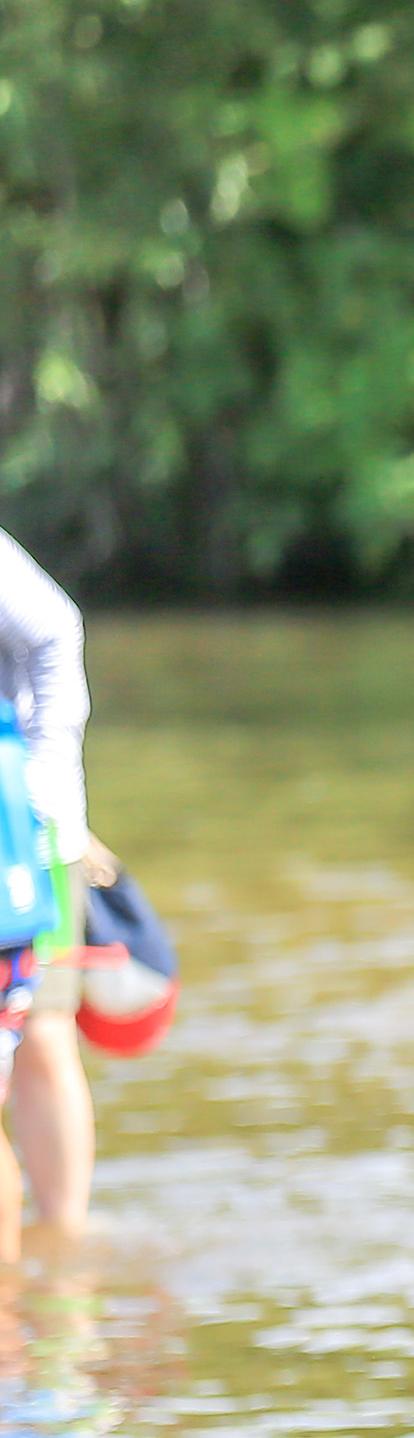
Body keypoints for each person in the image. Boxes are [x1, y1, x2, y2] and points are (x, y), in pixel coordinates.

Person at [1, 526, 114, 1246]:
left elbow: (53, 629)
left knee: (43, 1034)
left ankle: (62, 1254)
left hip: (25, 835)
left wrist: (42, 790)